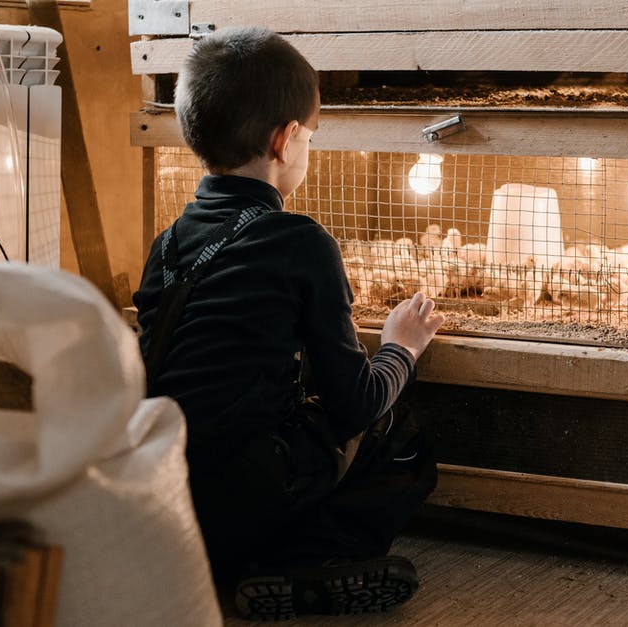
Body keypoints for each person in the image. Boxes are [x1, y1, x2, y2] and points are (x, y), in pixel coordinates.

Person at [132, 26, 445, 621]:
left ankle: (228, 558)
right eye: (311, 137)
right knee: (398, 434)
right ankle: (305, 559)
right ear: (285, 139)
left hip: (163, 494)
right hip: (250, 495)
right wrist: (400, 347)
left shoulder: (167, 243)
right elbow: (356, 404)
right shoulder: (300, 241)